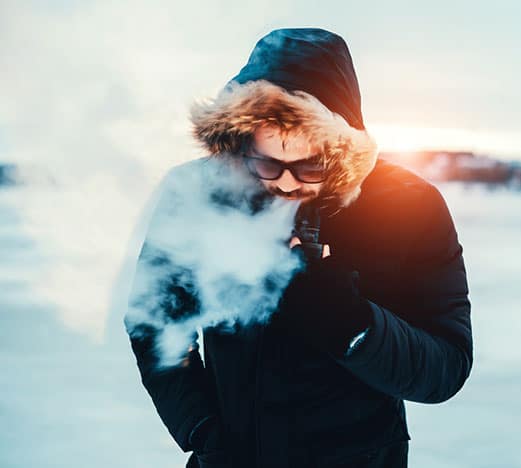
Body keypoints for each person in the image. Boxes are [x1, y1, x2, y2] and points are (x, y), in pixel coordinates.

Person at [125, 27, 473, 468]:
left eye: (308, 165)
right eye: (268, 162)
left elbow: (446, 366)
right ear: (242, 136)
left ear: (338, 146)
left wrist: (348, 321)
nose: (286, 182)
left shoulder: (407, 205)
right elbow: (154, 318)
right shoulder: (196, 192)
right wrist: (201, 428)